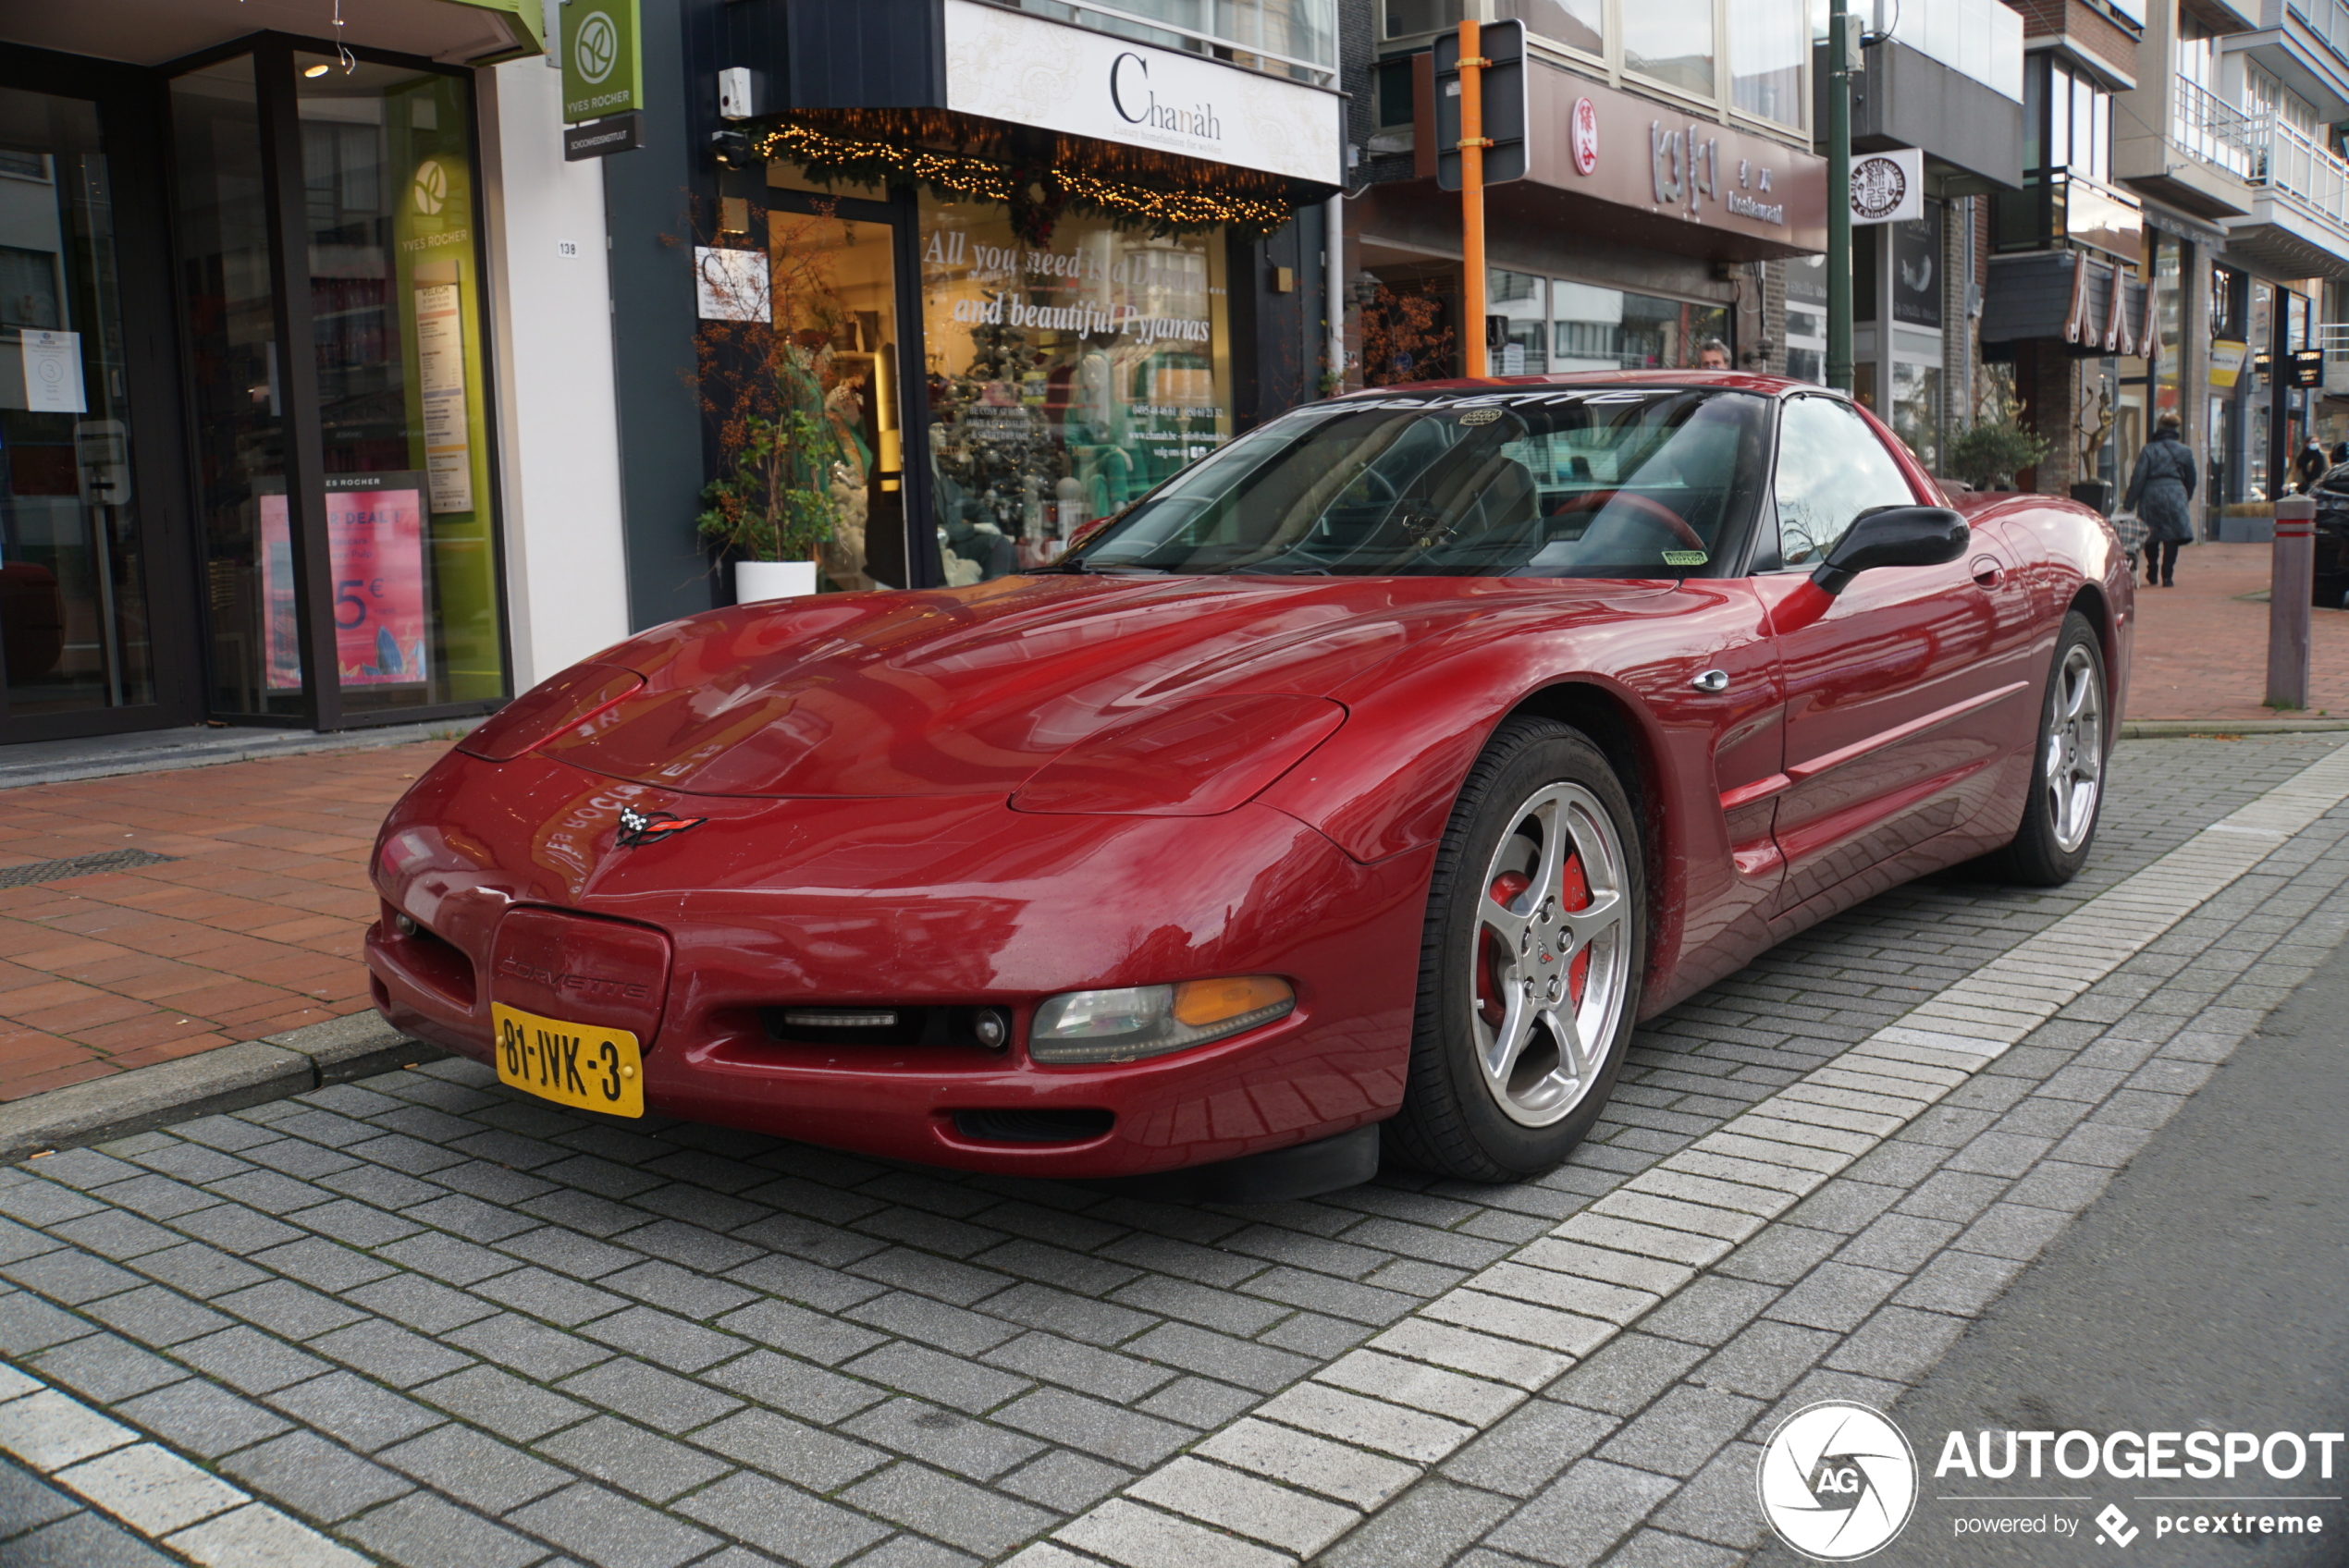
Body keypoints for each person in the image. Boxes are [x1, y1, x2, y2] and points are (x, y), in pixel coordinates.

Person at [2124, 412, 2196, 587]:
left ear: (2160, 428)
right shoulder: (2185, 451)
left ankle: (2152, 569)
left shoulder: (2149, 449)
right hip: (2176, 493)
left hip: (2151, 494)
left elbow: (2138, 477)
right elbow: (2192, 478)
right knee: (2172, 536)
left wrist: (2130, 502)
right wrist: (2186, 495)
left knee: (2151, 534)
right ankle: (2168, 575)